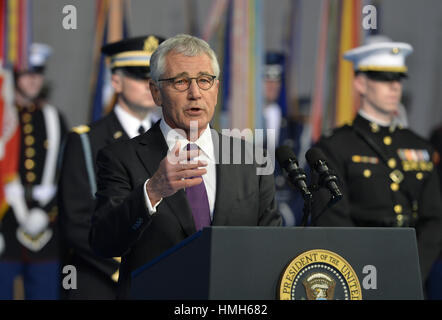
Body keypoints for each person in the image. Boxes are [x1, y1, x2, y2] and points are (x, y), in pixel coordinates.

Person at [89, 34, 282, 298]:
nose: (195, 93)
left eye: (204, 80)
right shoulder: (121, 157)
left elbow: (271, 246)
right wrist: (153, 190)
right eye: (180, 82)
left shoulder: (250, 158)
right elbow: (104, 242)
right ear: (156, 92)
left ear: (216, 88)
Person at [311, 37, 442, 288]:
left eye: (398, 79)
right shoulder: (334, 147)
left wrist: (413, 271)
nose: (394, 87)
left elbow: (434, 218)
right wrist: (364, 276)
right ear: (360, 83)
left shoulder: (419, 147)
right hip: (356, 275)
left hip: (412, 274)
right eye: (383, 78)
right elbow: (332, 222)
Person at [58, 35, 165, 299]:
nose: (149, 85)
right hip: (101, 281)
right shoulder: (85, 140)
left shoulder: (168, 139)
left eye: (155, 78)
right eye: (140, 76)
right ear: (116, 81)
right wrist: (127, 267)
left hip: (158, 278)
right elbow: (76, 222)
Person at [0, 43, 67, 299]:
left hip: (45, 225)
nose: (33, 80)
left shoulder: (53, 117)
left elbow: (65, 171)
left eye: (37, 74)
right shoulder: (3, 117)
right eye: (27, 74)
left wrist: (47, 210)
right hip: (5, 222)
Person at [263, 52, 305, 226]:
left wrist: (291, 214)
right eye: (266, 79)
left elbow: (304, 178)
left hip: (285, 209)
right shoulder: (241, 124)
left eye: (277, 79)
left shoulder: (294, 129)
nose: (273, 85)